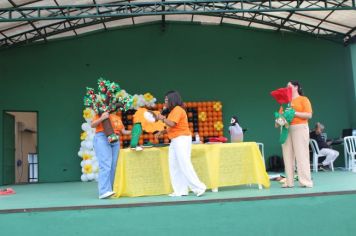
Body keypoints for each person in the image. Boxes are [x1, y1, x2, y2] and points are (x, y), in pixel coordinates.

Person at [155, 91, 206, 197]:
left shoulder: (178, 109)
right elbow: (172, 126)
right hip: (175, 140)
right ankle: (180, 191)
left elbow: (172, 123)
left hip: (182, 139)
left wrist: (162, 118)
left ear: (172, 100)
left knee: (184, 163)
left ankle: (199, 187)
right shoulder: (173, 111)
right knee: (174, 166)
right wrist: (162, 132)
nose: (164, 102)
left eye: (166, 100)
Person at [278, 81, 313, 188]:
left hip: (300, 128)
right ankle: (289, 182)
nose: (287, 88)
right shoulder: (286, 102)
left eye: (289, 86)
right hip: (286, 129)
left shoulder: (303, 99)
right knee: (287, 156)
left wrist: (294, 113)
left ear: (296, 87)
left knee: (302, 155)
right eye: (286, 86)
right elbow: (281, 117)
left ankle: (305, 181)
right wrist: (279, 119)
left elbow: (309, 115)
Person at [91, 111, 131, 199]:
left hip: (115, 139)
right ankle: (103, 191)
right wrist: (102, 118)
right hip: (102, 137)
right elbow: (92, 125)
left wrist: (135, 130)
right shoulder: (100, 114)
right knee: (105, 164)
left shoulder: (117, 117)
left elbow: (123, 131)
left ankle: (111, 190)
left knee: (113, 166)